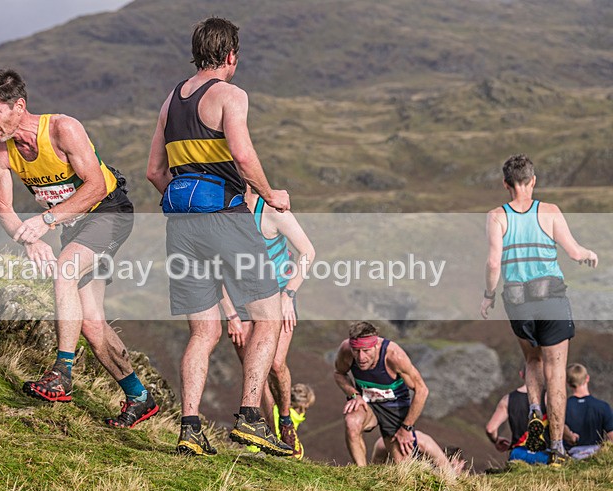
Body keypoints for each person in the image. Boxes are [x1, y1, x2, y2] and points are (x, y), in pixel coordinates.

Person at [0, 69, 158, 428]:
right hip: (70, 224)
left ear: (19, 106)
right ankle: (140, 396)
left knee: (65, 270)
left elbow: (95, 186)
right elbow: (4, 211)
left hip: (108, 212)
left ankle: (61, 375)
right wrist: (29, 238)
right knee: (90, 321)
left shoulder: (62, 129)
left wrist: (46, 221)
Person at [146, 17, 292, 456]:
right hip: (227, 217)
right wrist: (271, 196)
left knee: (203, 332)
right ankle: (251, 417)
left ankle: (190, 427)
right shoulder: (231, 95)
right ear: (231, 55)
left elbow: (155, 172)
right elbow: (244, 157)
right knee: (266, 315)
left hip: (181, 227)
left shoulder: (170, 100)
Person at [480, 154, 598, 466]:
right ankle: (557, 447)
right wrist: (588, 253)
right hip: (551, 299)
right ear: (533, 181)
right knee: (556, 373)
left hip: (517, 301)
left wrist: (488, 295)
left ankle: (534, 411)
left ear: (506, 184)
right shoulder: (549, 212)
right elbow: (573, 252)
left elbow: (494, 263)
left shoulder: (496, 216)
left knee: (532, 359)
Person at [220, 187, 315, 458]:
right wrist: (231, 315)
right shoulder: (222, 210)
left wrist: (289, 294)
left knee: (274, 364)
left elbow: (308, 252)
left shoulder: (271, 210)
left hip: (278, 295)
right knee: (254, 371)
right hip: (239, 298)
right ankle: (271, 435)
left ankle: (285, 420)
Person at [333, 321, 451, 469]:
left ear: (376, 345)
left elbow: (422, 390)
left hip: (394, 407)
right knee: (351, 422)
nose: (361, 357)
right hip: (368, 403)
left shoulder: (394, 356)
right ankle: (360, 473)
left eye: (366, 351)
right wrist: (354, 394)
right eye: (356, 350)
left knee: (403, 467)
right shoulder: (346, 350)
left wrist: (406, 428)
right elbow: (339, 373)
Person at [563, 364, 613, 459]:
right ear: (587, 378)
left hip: (570, 457)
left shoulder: (563, 408)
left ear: (567, 383)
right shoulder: (603, 407)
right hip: (595, 457)